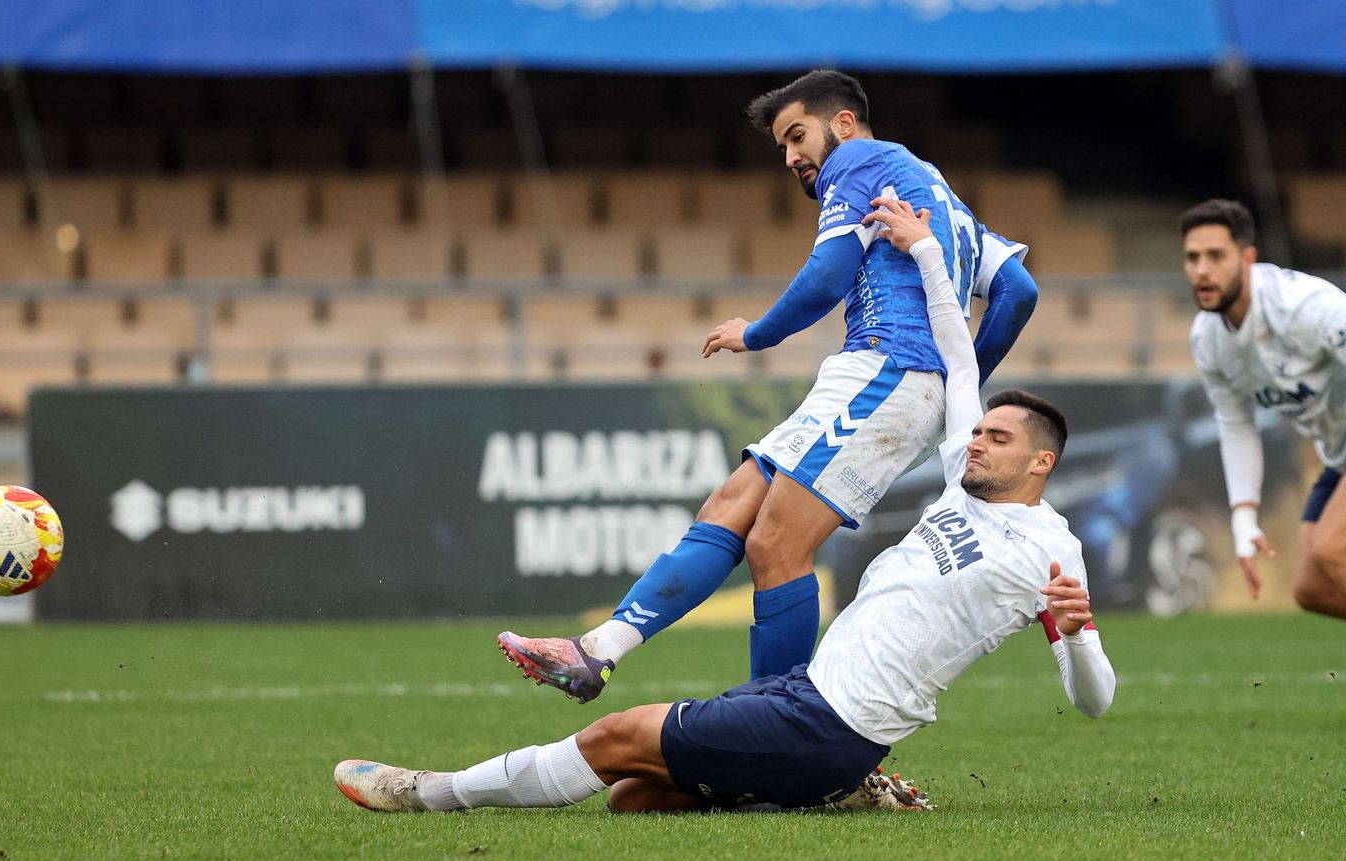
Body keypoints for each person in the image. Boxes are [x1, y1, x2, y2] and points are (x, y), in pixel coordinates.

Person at [336, 201, 1114, 815]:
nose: (975, 442)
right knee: (635, 796)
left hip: (835, 724)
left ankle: (430, 792)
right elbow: (952, 351)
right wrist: (927, 253)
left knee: (616, 734)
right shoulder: (958, 479)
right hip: (807, 697)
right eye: (977, 431)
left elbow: (1095, 700)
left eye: (997, 438)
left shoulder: (1051, 554)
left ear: (1039, 463)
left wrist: (1076, 638)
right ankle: (819, 795)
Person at [498, 70, 1041, 701]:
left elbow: (828, 274)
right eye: (782, 146)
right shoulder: (943, 196)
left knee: (776, 545)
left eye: (796, 136)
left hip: (888, 371)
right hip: (885, 377)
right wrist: (960, 377)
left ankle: (774, 731)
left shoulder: (860, 161)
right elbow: (1017, 291)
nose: (790, 158)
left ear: (842, 124)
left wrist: (757, 333)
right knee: (732, 503)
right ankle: (598, 651)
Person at [1182, 199, 1346, 619]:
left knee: (1329, 552)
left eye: (1216, 256)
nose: (1202, 269)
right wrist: (1244, 516)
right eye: (1192, 257)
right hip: (1338, 456)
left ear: (1248, 258)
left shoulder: (1310, 309)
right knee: (1313, 588)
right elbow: (1237, 426)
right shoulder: (1207, 339)